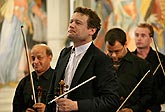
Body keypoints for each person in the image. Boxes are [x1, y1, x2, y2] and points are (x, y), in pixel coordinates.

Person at [46, 7, 120, 112]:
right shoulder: (64, 53)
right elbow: (51, 93)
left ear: (92, 30)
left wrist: (77, 105)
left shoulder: (100, 59)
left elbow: (111, 100)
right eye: (71, 21)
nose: (71, 25)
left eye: (78, 23)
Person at [104, 27, 153, 112]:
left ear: (125, 44)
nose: (113, 55)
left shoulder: (141, 65)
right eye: (110, 51)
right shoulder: (101, 64)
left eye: (117, 51)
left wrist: (133, 109)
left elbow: (149, 95)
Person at [133, 23, 165, 112]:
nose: (139, 38)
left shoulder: (161, 60)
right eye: (136, 35)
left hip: (153, 107)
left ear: (151, 39)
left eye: (143, 35)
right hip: (132, 107)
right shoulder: (129, 59)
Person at [13, 44, 54, 112]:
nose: (35, 62)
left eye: (39, 57)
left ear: (50, 57)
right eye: (33, 58)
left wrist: (47, 109)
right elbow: (16, 107)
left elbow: (63, 107)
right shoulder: (24, 82)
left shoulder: (57, 78)